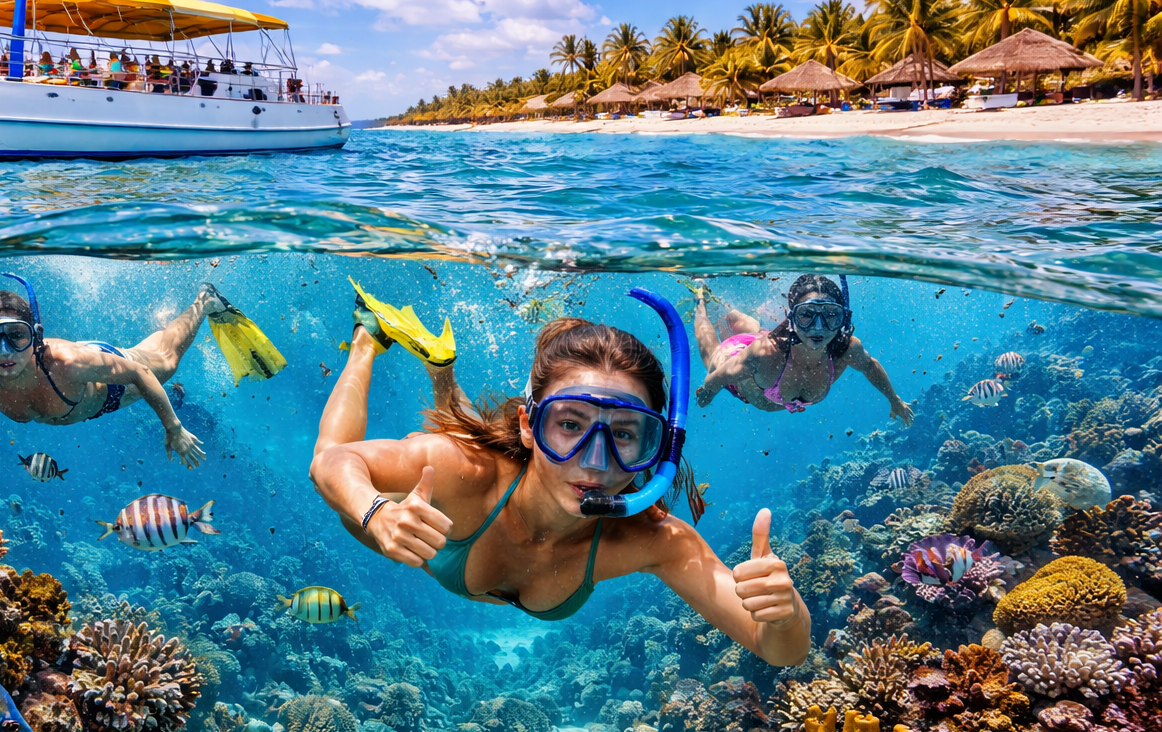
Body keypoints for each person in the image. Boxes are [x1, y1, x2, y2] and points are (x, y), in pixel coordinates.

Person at [308, 281, 812, 667]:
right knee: (360, 451)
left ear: (655, 447)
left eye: (624, 433)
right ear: (530, 425)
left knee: (471, 431)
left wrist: (786, 612)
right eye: (569, 425)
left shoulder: (653, 540)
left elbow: (778, 651)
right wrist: (375, 513)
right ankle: (367, 339)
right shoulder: (461, 469)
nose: (595, 459)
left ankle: (443, 370)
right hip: (416, 504)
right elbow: (331, 463)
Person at [0, 275, 285, 498]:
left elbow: (139, 373)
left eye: (17, 335)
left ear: (34, 335)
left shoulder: (68, 362)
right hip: (80, 377)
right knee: (154, 349)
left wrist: (173, 427)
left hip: (106, 383)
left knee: (164, 361)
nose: (5, 352)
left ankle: (204, 302)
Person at [693, 274, 914, 425]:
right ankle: (700, 299)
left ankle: (729, 311)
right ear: (792, 318)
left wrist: (893, 399)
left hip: (775, 340)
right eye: (807, 315)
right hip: (741, 354)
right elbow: (716, 378)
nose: (818, 328)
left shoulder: (846, 349)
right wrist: (707, 393)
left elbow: (870, 366)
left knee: (754, 328)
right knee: (712, 355)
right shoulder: (763, 354)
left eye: (830, 315)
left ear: (843, 318)